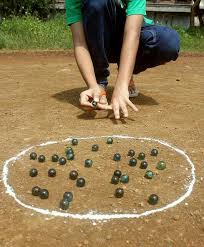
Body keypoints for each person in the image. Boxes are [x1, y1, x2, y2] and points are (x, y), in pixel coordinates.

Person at [66, 0, 180, 119]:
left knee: (168, 42)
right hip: (101, 42)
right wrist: (93, 85)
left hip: (132, 35)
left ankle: (126, 73)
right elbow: (80, 42)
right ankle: (99, 84)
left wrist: (122, 84)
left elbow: (133, 32)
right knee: (96, 3)